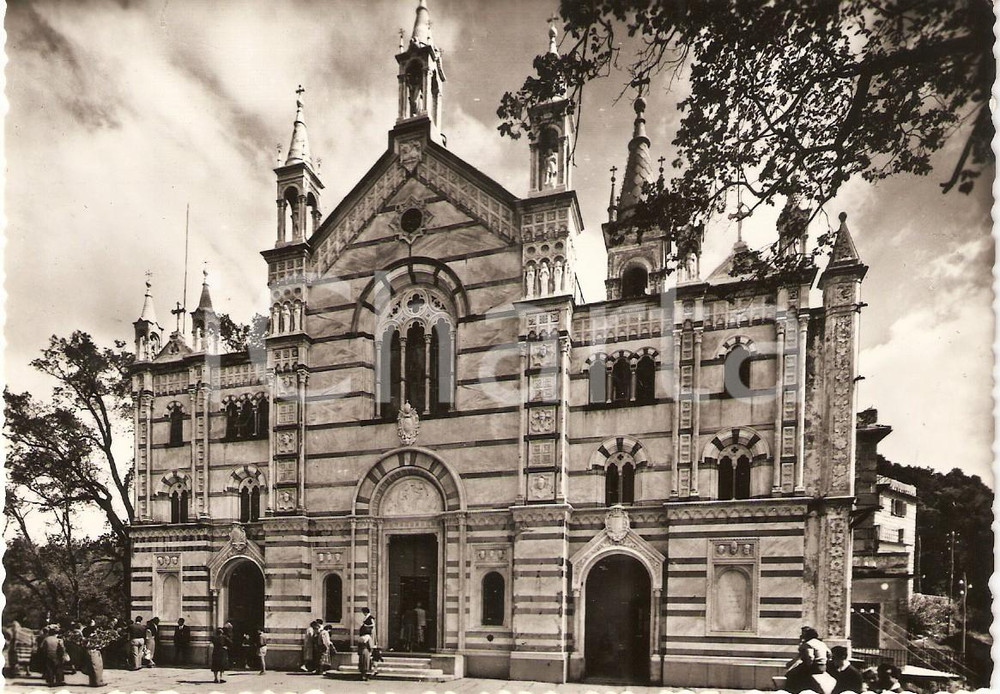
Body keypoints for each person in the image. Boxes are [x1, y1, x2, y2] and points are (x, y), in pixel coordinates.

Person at [358, 607, 377, 680]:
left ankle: (363, 675)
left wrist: (366, 626)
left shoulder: (370, 617)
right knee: (365, 663)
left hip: (369, 635)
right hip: (366, 650)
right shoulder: (364, 638)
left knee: (363, 663)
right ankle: (364, 675)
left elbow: (373, 625)